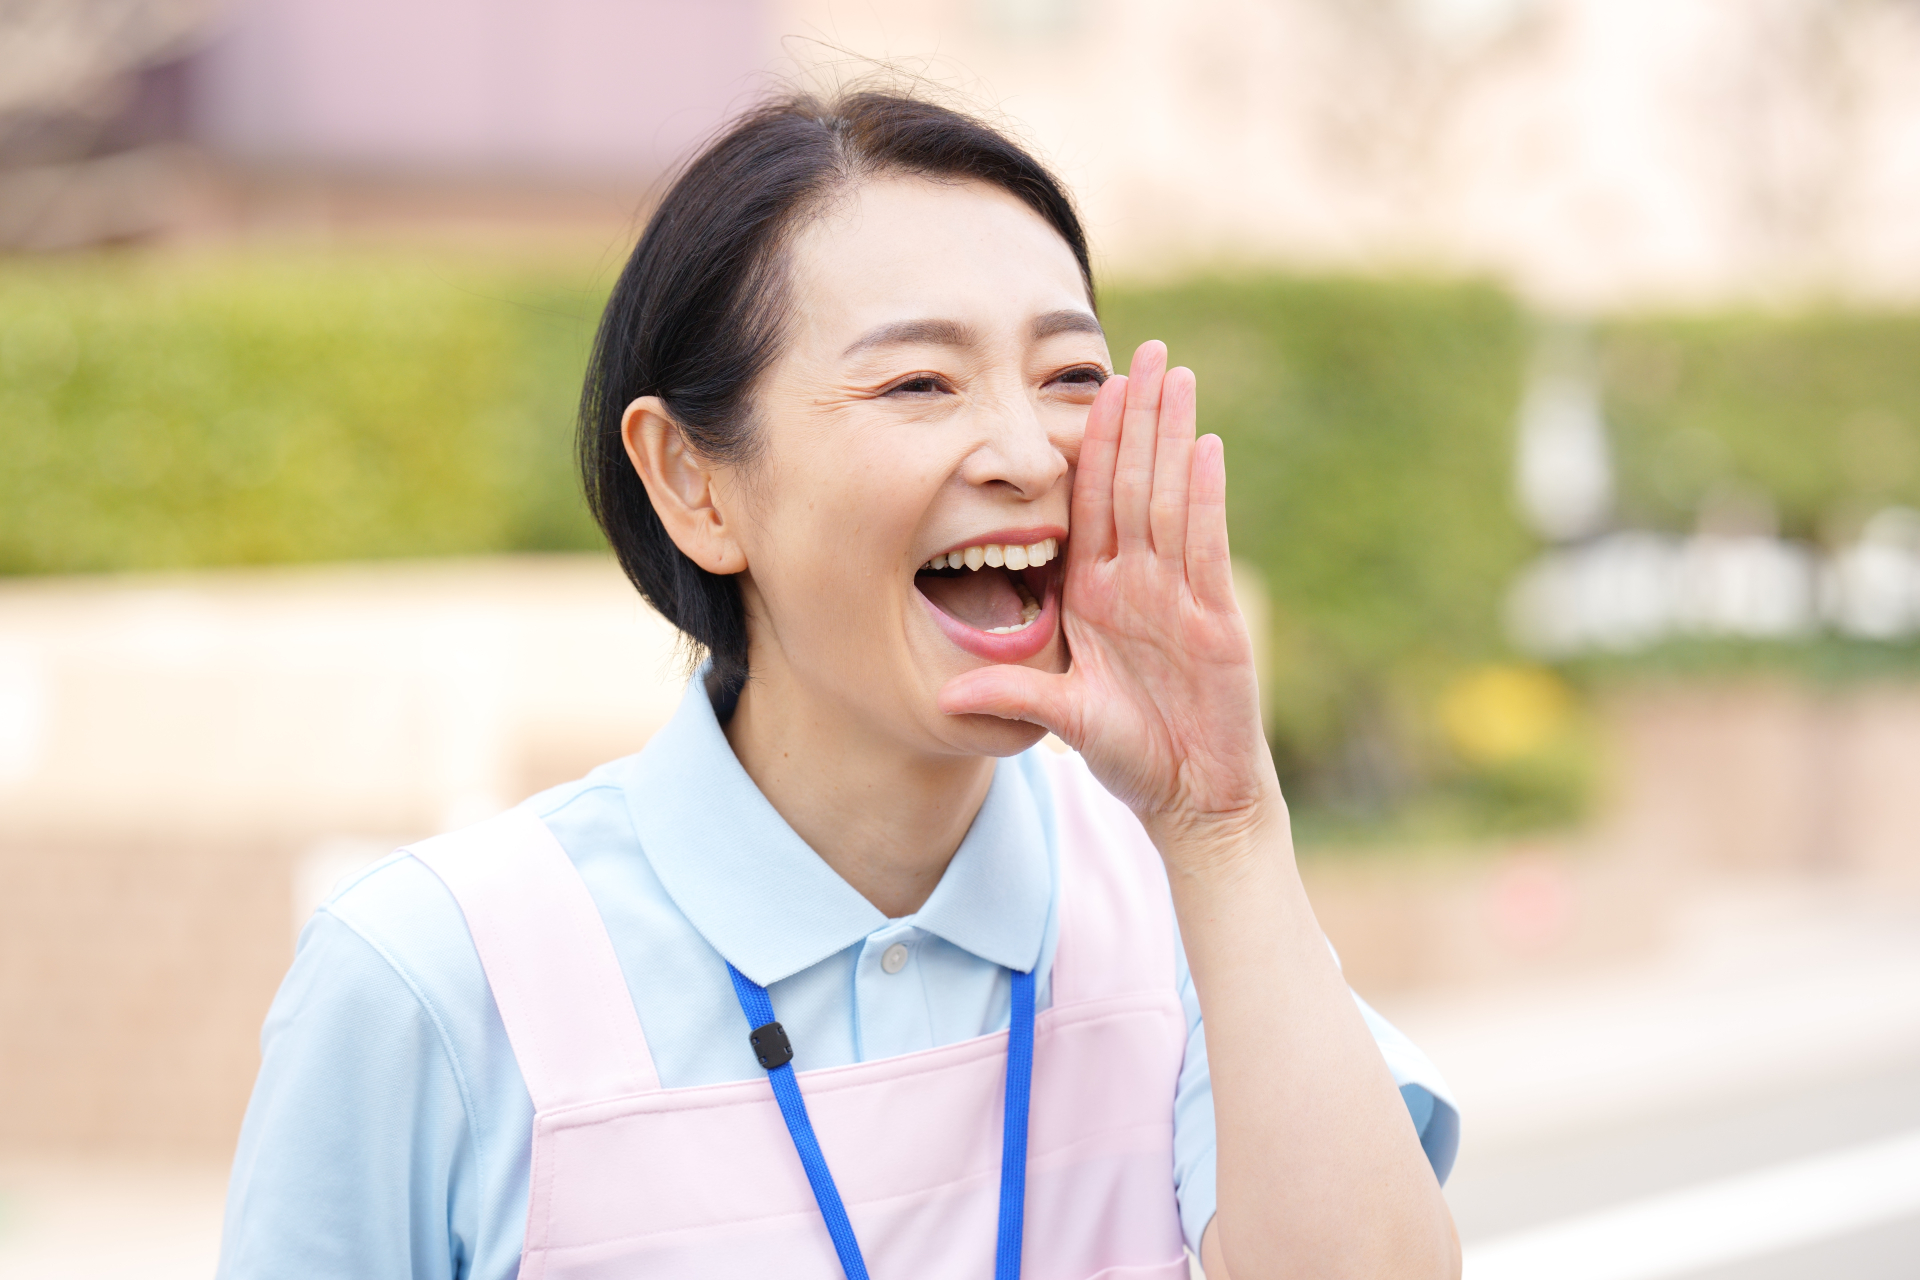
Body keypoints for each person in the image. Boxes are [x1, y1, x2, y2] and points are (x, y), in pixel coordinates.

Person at [217, 89, 1461, 1280]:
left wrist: (1225, 823)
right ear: (693, 480)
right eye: (919, 382)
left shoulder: (1185, 910)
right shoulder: (431, 975)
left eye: (1070, 375)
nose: (1027, 452)